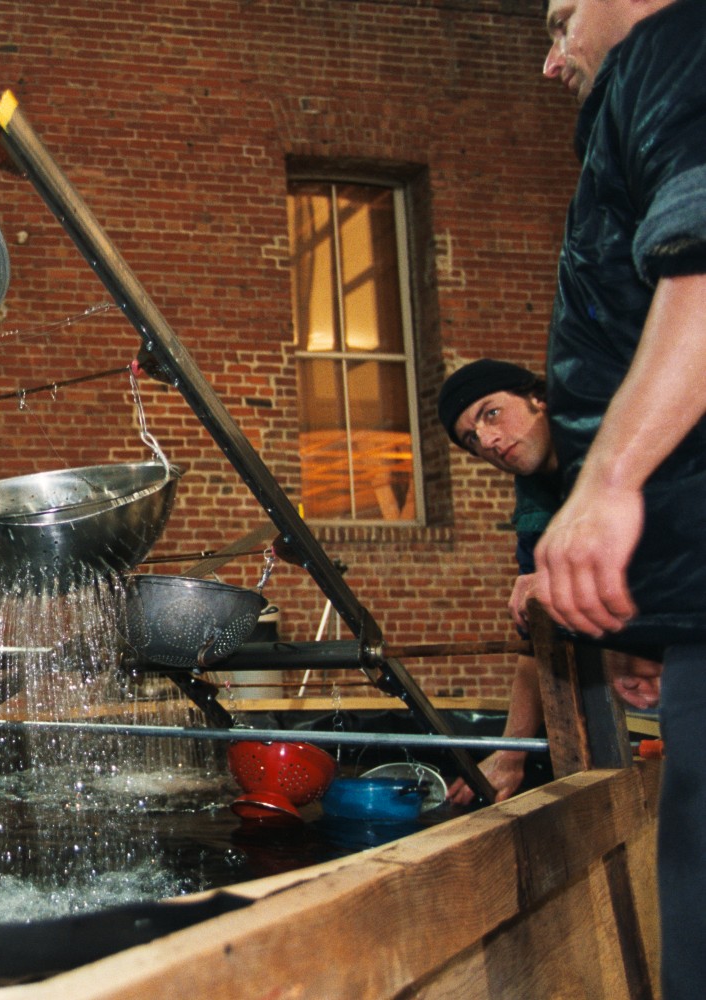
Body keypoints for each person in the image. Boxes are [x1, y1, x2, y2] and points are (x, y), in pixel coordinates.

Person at [533, 1, 706, 995]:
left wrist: (609, 480)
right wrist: (657, 611)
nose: (553, 60)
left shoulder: (673, 48)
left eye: (561, 21)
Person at [438, 360, 661, 804]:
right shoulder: (537, 512)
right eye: (471, 439)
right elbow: (536, 639)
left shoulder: (616, 439)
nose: (487, 441)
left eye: (491, 413)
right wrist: (510, 754)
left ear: (537, 398)